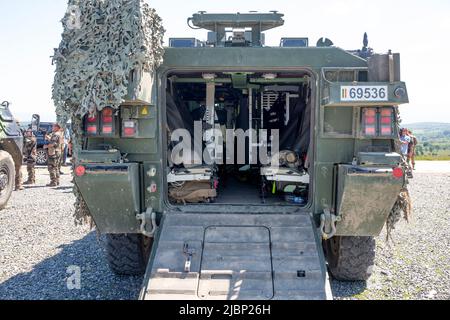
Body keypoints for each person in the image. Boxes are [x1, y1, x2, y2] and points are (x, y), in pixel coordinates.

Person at [14, 118, 24, 191]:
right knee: (18, 169)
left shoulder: (9, 130)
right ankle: (18, 185)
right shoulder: (19, 131)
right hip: (17, 152)